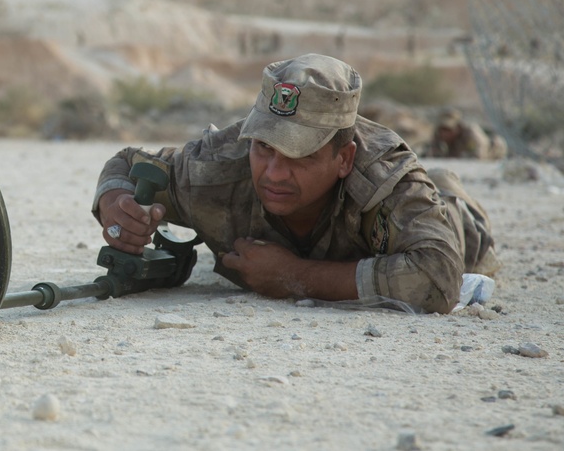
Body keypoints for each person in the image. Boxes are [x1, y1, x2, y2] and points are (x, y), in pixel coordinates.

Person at [92, 53, 500, 314]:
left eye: (299, 156)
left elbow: (439, 278)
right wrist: (117, 204)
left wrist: (295, 276)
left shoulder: (386, 182)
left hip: (449, 221)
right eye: (264, 148)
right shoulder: (221, 163)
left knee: (457, 218)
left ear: (344, 158)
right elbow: (129, 164)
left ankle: (448, 189)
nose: (273, 173)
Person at [429, 108, 508, 160]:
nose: (444, 134)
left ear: (458, 127)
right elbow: (432, 154)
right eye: (441, 129)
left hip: (493, 151)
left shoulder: (471, 134)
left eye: (448, 130)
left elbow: (477, 156)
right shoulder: (438, 136)